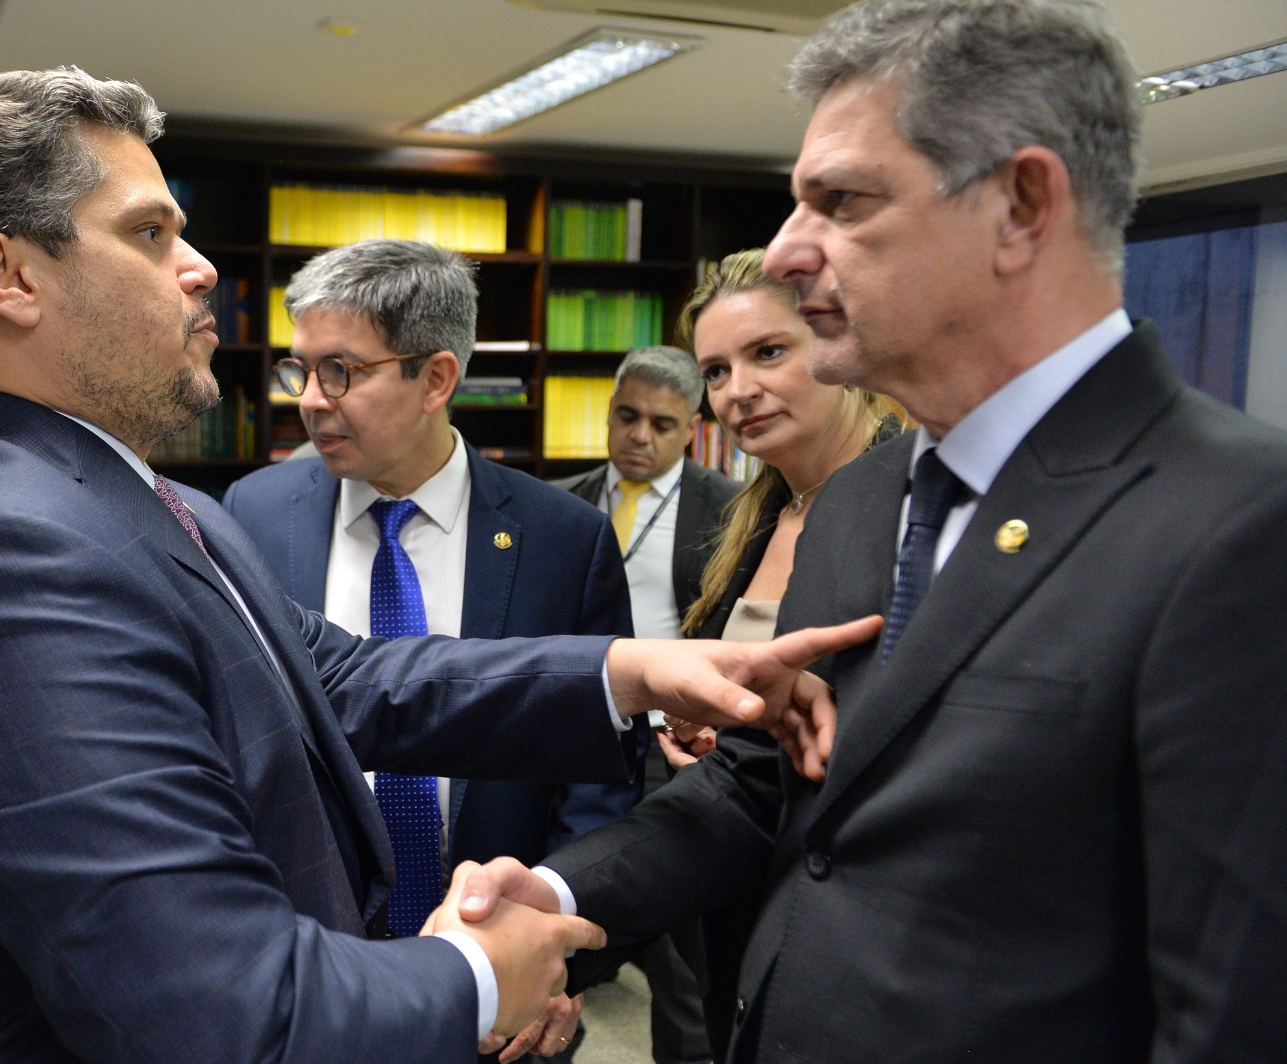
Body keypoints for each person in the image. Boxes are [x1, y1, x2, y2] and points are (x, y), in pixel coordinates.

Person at [0, 66, 876, 1063]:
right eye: (150, 234)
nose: (199, 268)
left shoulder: (144, 502)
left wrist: (634, 669)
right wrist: (478, 973)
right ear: (10, 276)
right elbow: (219, 1009)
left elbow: (343, 678)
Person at [459, 1, 1287, 1060]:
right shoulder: (860, 501)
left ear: (1021, 205)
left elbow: (1234, 1009)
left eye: (841, 202)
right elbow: (758, 792)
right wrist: (562, 892)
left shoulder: (1239, 526)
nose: (789, 250)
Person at [223, 237, 640, 1061]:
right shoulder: (253, 513)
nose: (310, 401)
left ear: (437, 378)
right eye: (299, 369)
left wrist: (563, 958)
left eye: (340, 371)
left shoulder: (565, 539)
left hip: (501, 984)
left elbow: (597, 783)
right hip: (307, 977)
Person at [551, 344, 740, 1064]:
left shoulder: (728, 508)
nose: (639, 436)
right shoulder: (561, 503)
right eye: (626, 416)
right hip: (579, 740)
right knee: (565, 925)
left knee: (681, 956)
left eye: (661, 424)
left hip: (674, 747)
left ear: (691, 428)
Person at [663, 250, 900, 768]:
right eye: (716, 372)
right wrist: (704, 733)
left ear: (839, 347)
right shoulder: (742, 517)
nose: (738, 391)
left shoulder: (907, 503)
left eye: (768, 352)